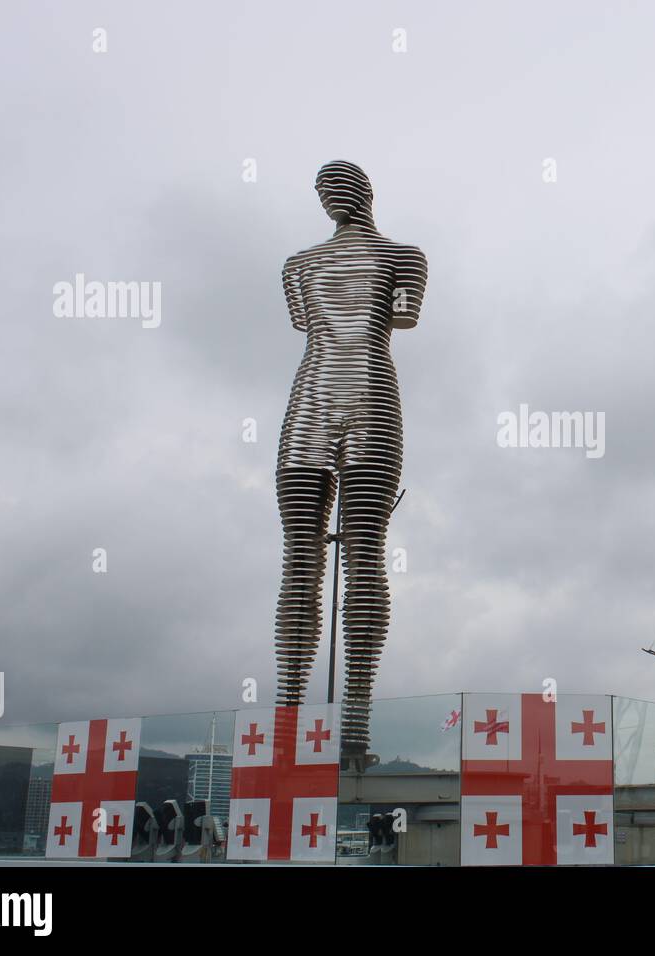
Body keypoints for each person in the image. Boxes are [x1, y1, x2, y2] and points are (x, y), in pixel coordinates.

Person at [273, 160, 428, 769]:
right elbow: (402, 315)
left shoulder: (306, 265)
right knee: (339, 553)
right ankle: (328, 729)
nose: (329, 197)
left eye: (332, 189)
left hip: (322, 398)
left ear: (358, 193)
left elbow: (307, 323)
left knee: (320, 555)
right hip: (357, 396)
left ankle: (331, 730)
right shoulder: (394, 258)